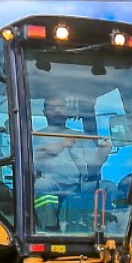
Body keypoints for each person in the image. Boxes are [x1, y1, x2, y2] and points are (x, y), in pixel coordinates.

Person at [32, 89, 109, 232]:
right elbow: (36, 156)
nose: (57, 111)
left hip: (78, 185)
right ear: (44, 112)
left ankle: (112, 229)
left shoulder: (80, 136)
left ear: (67, 110)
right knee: (42, 185)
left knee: (109, 187)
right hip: (53, 184)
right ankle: (49, 229)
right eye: (52, 108)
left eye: (60, 107)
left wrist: (102, 153)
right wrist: (62, 144)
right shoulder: (35, 136)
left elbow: (92, 169)